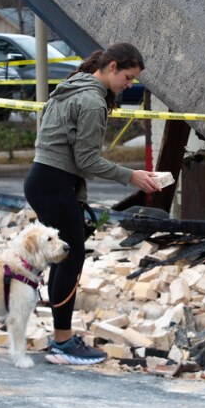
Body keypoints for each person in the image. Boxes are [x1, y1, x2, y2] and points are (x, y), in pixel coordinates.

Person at [23, 42, 161, 365]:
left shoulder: (72, 86)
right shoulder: (91, 100)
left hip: (43, 180)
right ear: (111, 67)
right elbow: (86, 159)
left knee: (62, 258)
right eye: (127, 78)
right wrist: (132, 176)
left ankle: (61, 338)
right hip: (53, 184)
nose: (129, 86)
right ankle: (63, 342)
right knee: (71, 258)